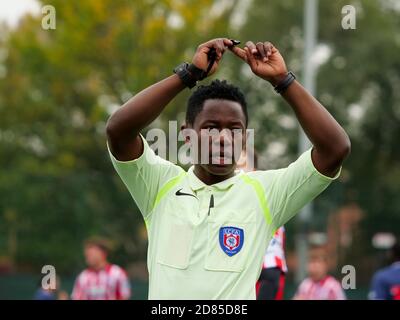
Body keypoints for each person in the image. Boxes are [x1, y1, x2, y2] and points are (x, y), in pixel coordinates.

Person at [106, 38, 350, 299]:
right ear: (188, 136)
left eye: (234, 130)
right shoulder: (159, 185)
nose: (224, 138)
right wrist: (189, 74)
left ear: (245, 138)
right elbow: (118, 131)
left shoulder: (267, 194)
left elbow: (335, 148)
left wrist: (283, 81)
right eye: (211, 128)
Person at [237, 150, 287, 300]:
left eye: (242, 165)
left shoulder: (262, 189)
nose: (237, 171)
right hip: (247, 269)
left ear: (254, 170)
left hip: (268, 266)